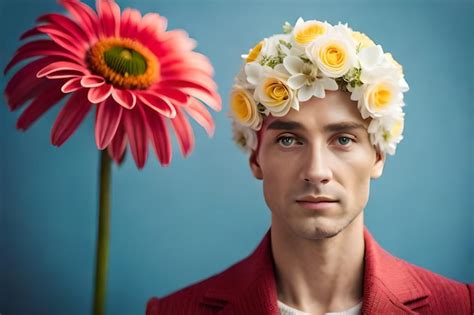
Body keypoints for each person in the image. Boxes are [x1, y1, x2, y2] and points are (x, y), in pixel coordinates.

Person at [146, 18, 473, 314]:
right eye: (289, 139)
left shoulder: (460, 306)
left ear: (378, 156)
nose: (317, 171)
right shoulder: (174, 311)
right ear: (255, 157)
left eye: (343, 139)